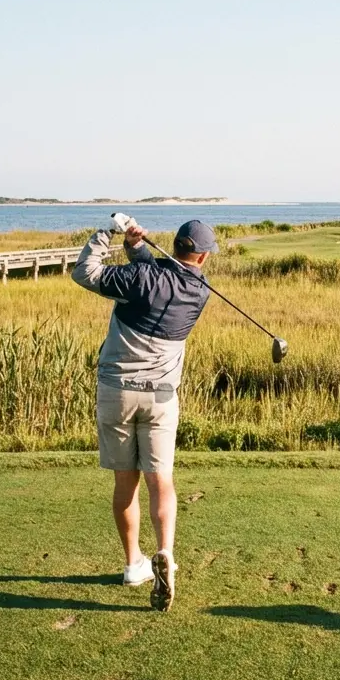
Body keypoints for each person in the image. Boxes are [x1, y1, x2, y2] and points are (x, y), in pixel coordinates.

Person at [71, 217, 218, 611]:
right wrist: (136, 248)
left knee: (126, 483)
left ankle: (134, 564)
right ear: (203, 256)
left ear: (175, 244)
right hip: (161, 399)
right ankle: (165, 551)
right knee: (161, 481)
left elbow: (85, 272)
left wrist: (107, 232)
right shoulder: (200, 290)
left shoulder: (137, 279)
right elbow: (157, 279)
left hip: (117, 393)